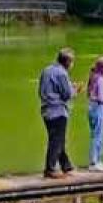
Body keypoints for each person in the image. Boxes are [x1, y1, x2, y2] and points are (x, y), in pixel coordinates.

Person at [38, 48, 81, 179]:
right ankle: (50, 169)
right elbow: (67, 94)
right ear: (68, 62)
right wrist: (76, 90)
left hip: (46, 109)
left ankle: (66, 166)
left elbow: (41, 89)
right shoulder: (62, 73)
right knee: (56, 140)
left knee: (58, 139)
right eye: (72, 62)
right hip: (58, 110)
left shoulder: (47, 70)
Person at [86, 56, 103, 171]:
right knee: (99, 135)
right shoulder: (101, 79)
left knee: (94, 134)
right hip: (99, 108)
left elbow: (90, 95)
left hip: (91, 108)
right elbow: (101, 98)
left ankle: (94, 161)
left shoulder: (93, 77)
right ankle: (95, 161)